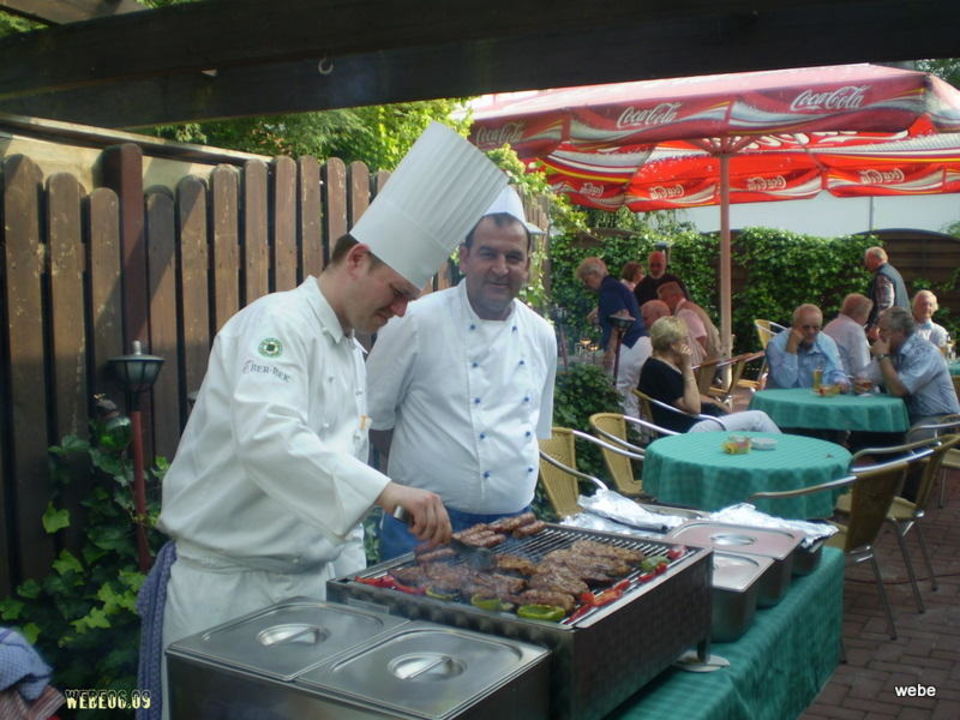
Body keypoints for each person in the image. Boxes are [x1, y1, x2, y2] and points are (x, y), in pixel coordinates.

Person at [142, 123, 508, 718]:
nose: (400, 310)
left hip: (308, 595)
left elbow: (332, 482)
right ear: (357, 258)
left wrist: (356, 597)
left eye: (411, 298)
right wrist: (389, 491)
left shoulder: (348, 347)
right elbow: (271, 442)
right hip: (231, 595)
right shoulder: (276, 325)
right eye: (395, 292)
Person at [367, 187, 557, 560]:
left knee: (510, 618)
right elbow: (373, 418)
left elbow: (536, 428)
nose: (501, 268)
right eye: (488, 253)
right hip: (421, 523)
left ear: (528, 265)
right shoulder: (415, 321)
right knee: (416, 617)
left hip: (514, 524)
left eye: (513, 257)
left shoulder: (541, 333)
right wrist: (427, 472)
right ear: (464, 257)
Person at [637, 316, 781, 434]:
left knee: (751, 424)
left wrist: (716, 403)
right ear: (674, 345)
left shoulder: (659, 365)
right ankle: (786, 455)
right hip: (687, 430)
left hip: (695, 423)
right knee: (758, 418)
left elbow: (682, 395)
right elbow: (693, 407)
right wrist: (687, 367)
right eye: (685, 339)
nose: (688, 343)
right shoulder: (659, 370)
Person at [863, 306, 960, 429]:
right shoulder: (891, 350)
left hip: (941, 420)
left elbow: (898, 390)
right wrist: (859, 382)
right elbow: (866, 378)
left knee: (896, 438)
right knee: (866, 432)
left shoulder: (925, 352)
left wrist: (883, 357)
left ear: (900, 332)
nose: (879, 335)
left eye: (883, 330)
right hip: (907, 416)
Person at [576, 257, 650, 417]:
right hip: (641, 344)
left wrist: (610, 350)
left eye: (585, 278)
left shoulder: (608, 290)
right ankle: (638, 437)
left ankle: (622, 438)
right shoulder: (615, 286)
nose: (585, 284)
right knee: (632, 396)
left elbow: (621, 317)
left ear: (594, 274)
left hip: (628, 345)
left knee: (618, 393)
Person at [765, 303, 848, 389]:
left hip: (813, 399)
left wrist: (840, 382)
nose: (811, 332)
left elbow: (836, 372)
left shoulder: (827, 343)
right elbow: (785, 383)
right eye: (806, 327)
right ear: (794, 326)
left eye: (816, 328)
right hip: (780, 399)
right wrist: (791, 348)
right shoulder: (776, 345)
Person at [657, 281, 721, 365]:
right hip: (712, 362)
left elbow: (701, 338)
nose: (662, 303)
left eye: (664, 299)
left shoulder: (685, 312)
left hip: (707, 366)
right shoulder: (689, 307)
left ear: (676, 297)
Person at [823, 293, 873, 377]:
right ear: (861, 314)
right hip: (846, 383)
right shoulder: (855, 330)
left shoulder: (830, 325)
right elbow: (862, 369)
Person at [864, 246, 908, 339]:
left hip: (891, 327)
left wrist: (876, 326)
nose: (866, 263)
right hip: (902, 323)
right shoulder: (893, 272)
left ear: (875, 259)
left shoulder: (883, 276)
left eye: (867, 259)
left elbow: (885, 304)